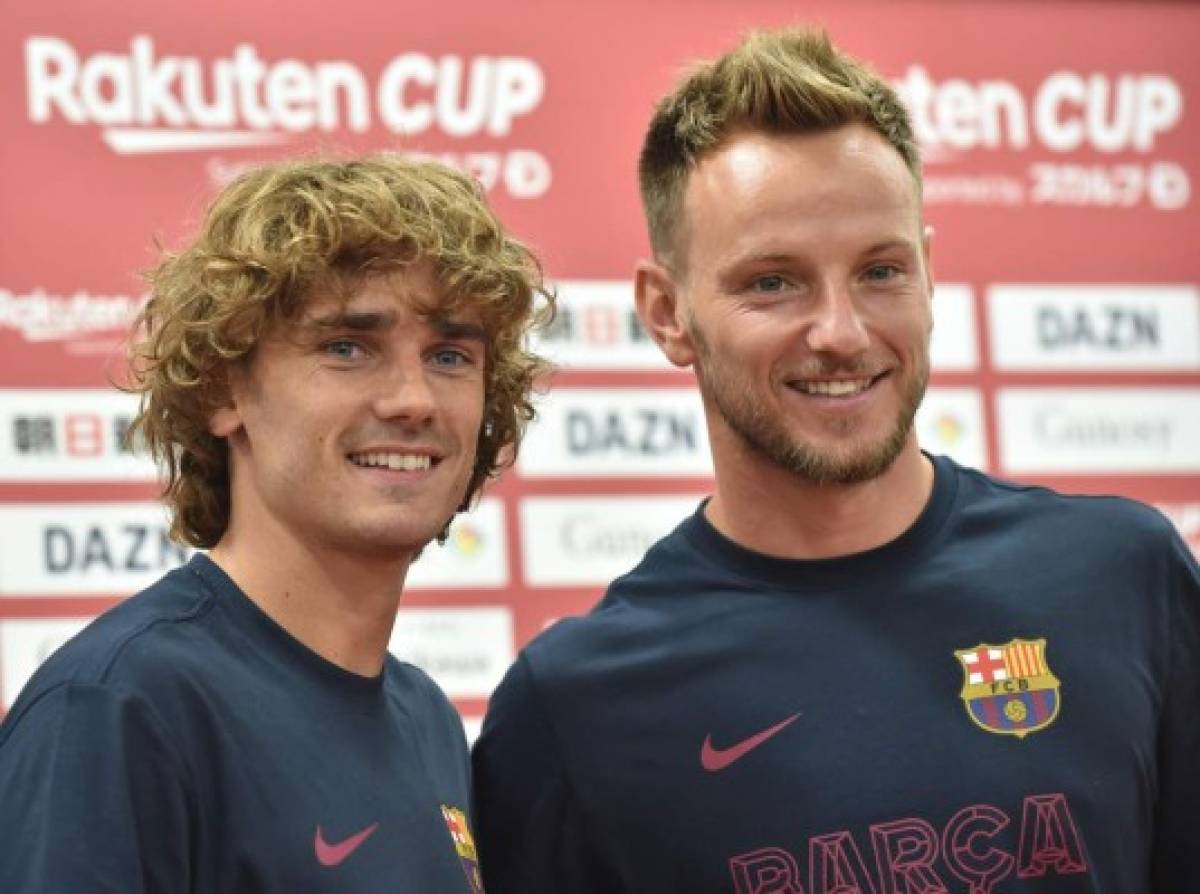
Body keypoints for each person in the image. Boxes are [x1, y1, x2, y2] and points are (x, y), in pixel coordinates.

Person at [471, 28, 1200, 893]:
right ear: (667, 313)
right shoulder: (573, 709)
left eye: (881, 271)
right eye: (773, 282)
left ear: (930, 274)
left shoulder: (1125, 576)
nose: (842, 333)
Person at [0, 156, 551, 891]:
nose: (414, 399)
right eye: (348, 347)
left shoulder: (429, 722)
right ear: (225, 391)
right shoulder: (118, 709)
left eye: (449, 355)